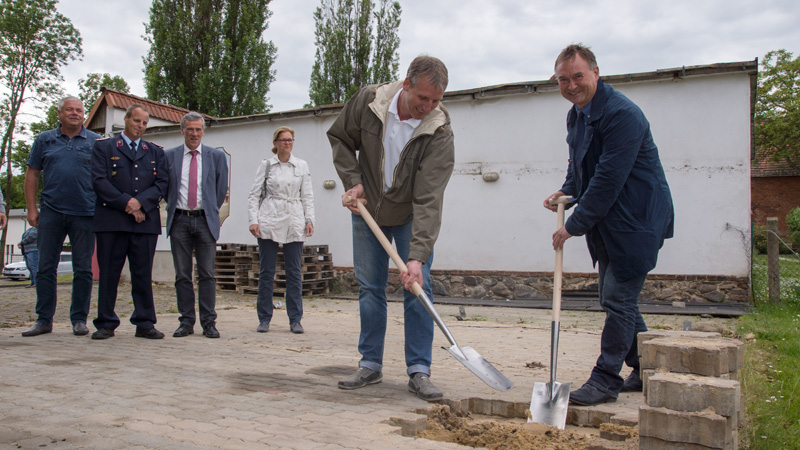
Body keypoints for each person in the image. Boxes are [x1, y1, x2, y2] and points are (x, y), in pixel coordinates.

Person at [543, 44, 674, 406]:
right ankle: (647, 367)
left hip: (638, 220)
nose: (571, 85)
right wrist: (566, 191)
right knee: (615, 297)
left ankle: (604, 379)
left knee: (618, 298)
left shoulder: (622, 115)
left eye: (578, 76)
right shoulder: (577, 115)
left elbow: (607, 179)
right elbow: (581, 167)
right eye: (563, 79)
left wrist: (574, 225)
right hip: (610, 222)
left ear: (596, 73)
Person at [328, 55, 455, 401]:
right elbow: (340, 137)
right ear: (406, 84)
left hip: (410, 214)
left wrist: (416, 257)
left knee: (418, 288)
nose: (427, 107)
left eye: (435, 100)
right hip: (367, 210)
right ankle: (370, 364)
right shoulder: (369, 102)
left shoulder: (439, 130)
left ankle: (419, 370)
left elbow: (430, 198)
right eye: (422, 99)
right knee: (370, 288)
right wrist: (353, 181)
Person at [21, 96, 102, 337]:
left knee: (83, 269)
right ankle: (44, 319)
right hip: (51, 212)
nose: (75, 113)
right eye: (69, 110)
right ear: (59, 114)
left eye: (79, 110)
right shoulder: (44, 139)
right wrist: (32, 208)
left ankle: (79, 319)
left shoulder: (96, 142)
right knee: (45, 268)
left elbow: (103, 178)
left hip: (85, 213)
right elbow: (32, 174)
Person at [90, 104, 169, 340]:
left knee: (143, 274)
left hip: (144, 222)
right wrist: (128, 204)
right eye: (137, 121)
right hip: (112, 221)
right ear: (126, 120)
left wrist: (141, 203)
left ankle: (144, 322)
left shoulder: (155, 152)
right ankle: (106, 322)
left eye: (144, 123)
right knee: (109, 274)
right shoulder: (105, 147)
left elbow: (162, 184)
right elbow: (99, 181)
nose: (140, 126)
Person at [165, 112, 229, 339]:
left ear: (203, 131)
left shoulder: (216, 157)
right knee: (182, 274)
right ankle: (186, 322)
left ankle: (209, 322)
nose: (194, 133)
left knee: (207, 274)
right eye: (190, 129)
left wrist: (209, 209)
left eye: (198, 129)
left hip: (205, 221)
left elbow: (221, 190)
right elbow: (166, 188)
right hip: (179, 220)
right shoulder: (169, 156)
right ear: (182, 131)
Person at [247, 126, 315, 334]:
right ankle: (264, 318)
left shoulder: (301, 165)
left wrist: (309, 219)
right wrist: (254, 220)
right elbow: (254, 194)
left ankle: (295, 319)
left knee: (294, 272)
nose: (287, 143)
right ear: (275, 143)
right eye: (283, 139)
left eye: (291, 139)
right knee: (267, 271)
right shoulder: (266, 165)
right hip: (269, 216)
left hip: (294, 217)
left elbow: (308, 195)